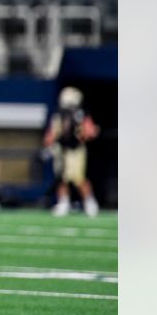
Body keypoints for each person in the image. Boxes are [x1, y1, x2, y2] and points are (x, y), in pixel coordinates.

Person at [45, 86, 100, 217]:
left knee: (78, 178)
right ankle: (64, 203)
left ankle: (89, 202)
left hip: (75, 149)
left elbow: (90, 131)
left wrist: (85, 133)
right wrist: (49, 145)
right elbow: (53, 133)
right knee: (61, 178)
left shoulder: (80, 114)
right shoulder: (59, 114)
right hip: (61, 150)